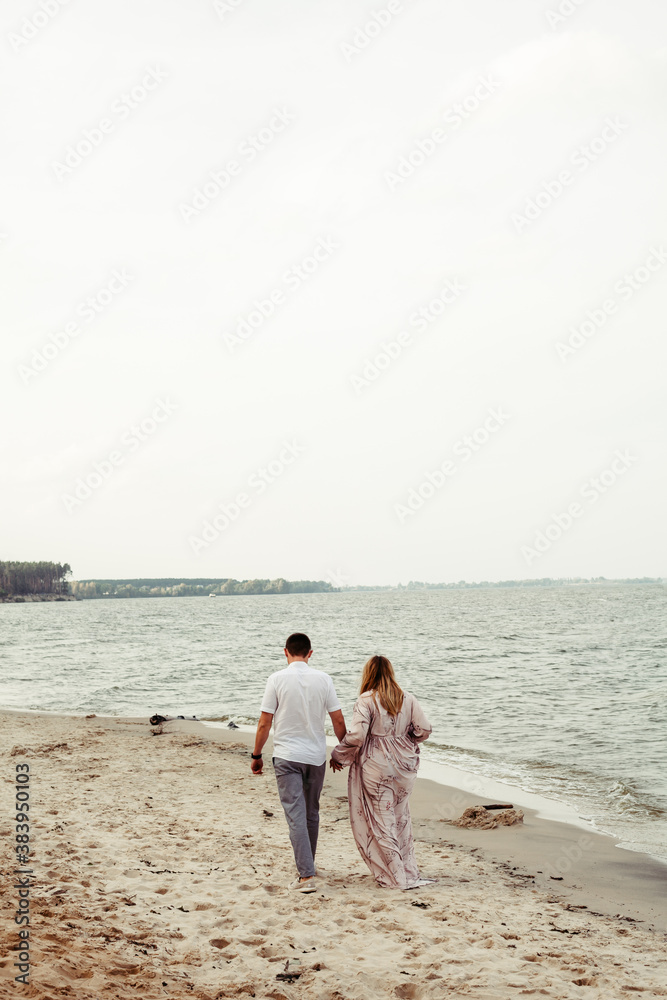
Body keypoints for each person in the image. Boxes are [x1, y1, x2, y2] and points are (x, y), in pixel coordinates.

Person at [251, 632, 346, 893]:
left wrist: (256, 754)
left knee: (295, 815)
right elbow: (338, 720)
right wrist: (345, 749)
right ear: (310, 653)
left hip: (287, 757)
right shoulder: (324, 679)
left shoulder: (276, 679)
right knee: (311, 813)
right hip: (315, 757)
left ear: (286, 652)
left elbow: (264, 722)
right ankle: (308, 865)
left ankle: (306, 877)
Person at [330, 655, 432, 890]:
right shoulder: (408, 698)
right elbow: (424, 730)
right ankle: (408, 872)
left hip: (376, 765)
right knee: (401, 817)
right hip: (405, 765)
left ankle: (396, 877)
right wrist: (406, 740)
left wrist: (339, 755)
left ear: (368, 674)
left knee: (382, 821)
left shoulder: (366, 700)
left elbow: (357, 735)